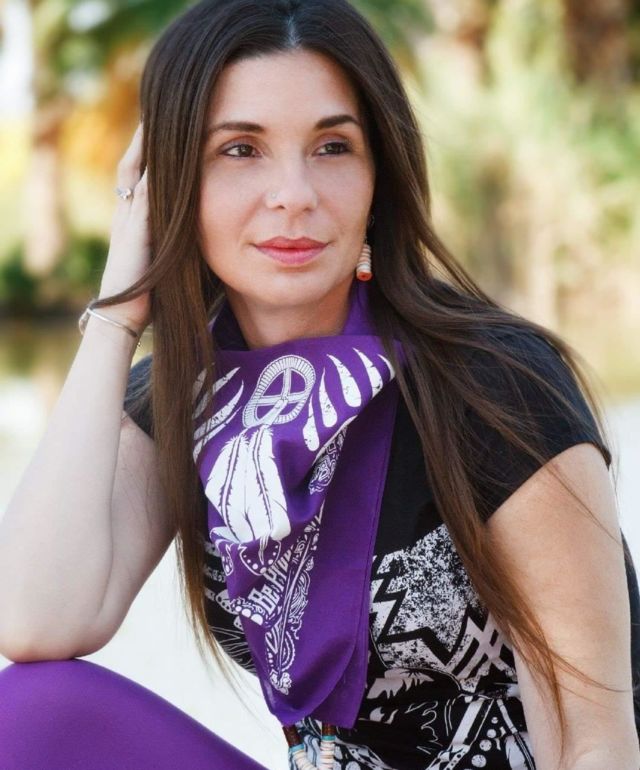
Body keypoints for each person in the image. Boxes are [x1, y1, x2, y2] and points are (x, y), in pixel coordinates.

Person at [0, 0, 638, 768]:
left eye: (333, 147)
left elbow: (595, 739)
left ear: (378, 179)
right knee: (28, 715)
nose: (294, 194)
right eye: (240, 150)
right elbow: (35, 621)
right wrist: (119, 313)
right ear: (170, 183)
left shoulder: (495, 387)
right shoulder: (185, 400)